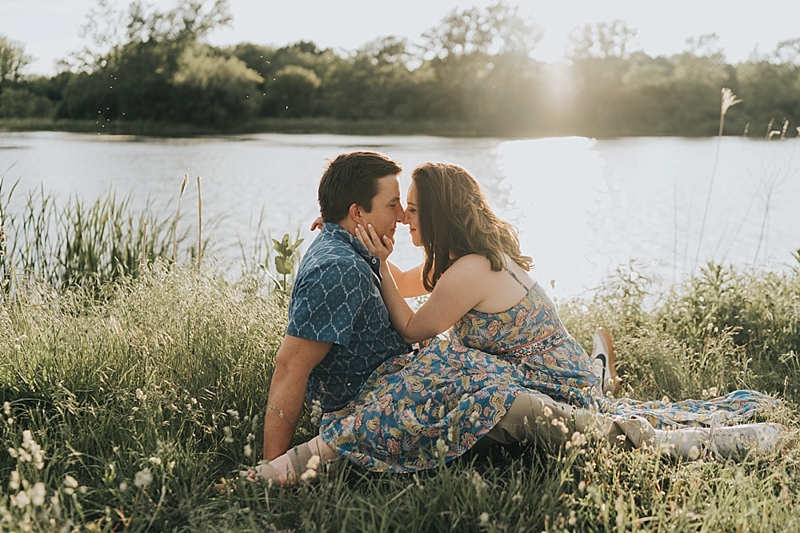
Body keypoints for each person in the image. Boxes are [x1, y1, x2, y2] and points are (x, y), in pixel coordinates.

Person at [252, 160, 783, 484]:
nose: (405, 218)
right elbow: (405, 282)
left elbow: (414, 328)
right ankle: (601, 369)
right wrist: (352, 235)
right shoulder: (454, 258)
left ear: (436, 214)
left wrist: (368, 251)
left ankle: (714, 429)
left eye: (411, 210)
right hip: (522, 367)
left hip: (543, 373)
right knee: (594, 405)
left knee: (602, 419)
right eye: (399, 208)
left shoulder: (469, 268)